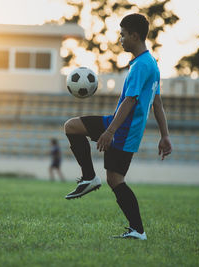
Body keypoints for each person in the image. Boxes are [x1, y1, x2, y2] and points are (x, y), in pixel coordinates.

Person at [63, 13, 172, 240]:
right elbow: (157, 103)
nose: (120, 39)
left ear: (134, 35)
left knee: (115, 180)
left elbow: (131, 101)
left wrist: (110, 131)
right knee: (72, 127)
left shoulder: (142, 65)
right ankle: (90, 178)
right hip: (120, 125)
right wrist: (165, 136)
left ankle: (137, 229)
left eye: (122, 35)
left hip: (123, 130)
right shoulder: (150, 64)